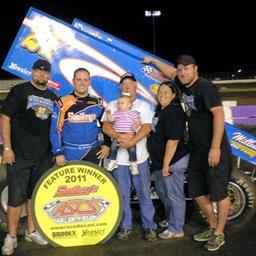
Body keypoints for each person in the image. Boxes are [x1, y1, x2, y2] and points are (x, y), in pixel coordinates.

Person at [143, 55, 232, 251]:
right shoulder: (183, 86)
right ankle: (212, 225)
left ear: (195, 69)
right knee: (197, 193)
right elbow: (171, 72)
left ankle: (219, 233)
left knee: (219, 192)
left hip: (213, 148)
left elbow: (218, 114)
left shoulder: (205, 87)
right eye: (180, 69)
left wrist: (215, 147)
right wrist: (153, 61)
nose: (182, 72)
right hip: (196, 150)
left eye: (187, 69)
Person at [1, 59, 57, 255]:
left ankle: (31, 231)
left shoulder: (52, 96)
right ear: (32, 72)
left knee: (35, 196)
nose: (41, 74)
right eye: (38, 71)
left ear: (49, 75)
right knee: (16, 198)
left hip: (43, 156)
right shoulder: (20, 91)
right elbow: (5, 118)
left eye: (45, 72)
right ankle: (12, 237)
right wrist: (7, 148)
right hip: (20, 156)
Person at [102, 72, 157, 241]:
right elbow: (105, 127)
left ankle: (150, 226)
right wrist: (121, 137)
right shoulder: (113, 104)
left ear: (136, 87)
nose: (127, 87)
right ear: (120, 87)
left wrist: (131, 141)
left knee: (144, 194)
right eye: (124, 84)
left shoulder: (143, 106)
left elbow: (146, 128)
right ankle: (125, 226)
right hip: (119, 161)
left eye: (130, 84)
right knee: (122, 194)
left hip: (138, 159)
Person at [147, 80, 189, 239]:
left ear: (173, 95)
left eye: (166, 92)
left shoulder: (173, 111)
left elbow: (173, 141)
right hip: (161, 162)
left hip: (173, 161)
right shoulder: (161, 110)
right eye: (160, 92)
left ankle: (176, 228)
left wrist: (166, 166)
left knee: (174, 194)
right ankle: (172, 218)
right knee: (162, 191)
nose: (162, 95)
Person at [50, 67, 110, 166]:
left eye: (85, 80)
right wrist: (58, 152)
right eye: (79, 79)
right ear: (73, 81)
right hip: (68, 153)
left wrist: (107, 144)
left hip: (92, 152)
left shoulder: (98, 103)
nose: (82, 83)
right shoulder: (62, 103)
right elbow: (54, 130)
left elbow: (106, 126)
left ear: (89, 82)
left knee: (92, 182)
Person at [105, 94, 140, 175]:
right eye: (118, 103)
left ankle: (133, 164)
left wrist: (136, 124)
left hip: (130, 135)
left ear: (129, 105)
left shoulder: (133, 113)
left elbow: (138, 120)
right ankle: (113, 162)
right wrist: (108, 114)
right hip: (118, 134)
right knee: (113, 148)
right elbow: (110, 120)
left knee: (132, 150)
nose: (119, 105)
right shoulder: (117, 113)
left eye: (122, 103)